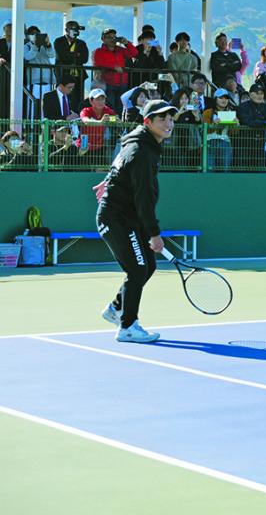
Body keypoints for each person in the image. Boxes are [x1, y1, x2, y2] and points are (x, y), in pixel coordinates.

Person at [92, 99, 179, 343]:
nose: (168, 123)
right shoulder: (142, 151)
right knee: (138, 268)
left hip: (126, 216)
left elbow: (122, 168)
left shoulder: (141, 144)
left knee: (147, 266)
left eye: (171, 118)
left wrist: (109, 180)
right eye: (162, 119)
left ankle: (116, 308)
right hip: (118, 218)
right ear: (147, 121)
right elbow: (144, 199)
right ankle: (127, 326)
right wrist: (154, 234)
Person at [54, 19, 89, 112]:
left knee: (78, 99)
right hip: (63, 75)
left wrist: (72, 54)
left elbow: (85, 58)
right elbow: (62, 56)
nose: (76, 31)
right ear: (66, 30)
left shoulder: (81, 43)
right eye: (73, 29)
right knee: (64, 98)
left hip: (78, 76)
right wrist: (76, 54)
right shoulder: (59, 41)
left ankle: (77, 117)